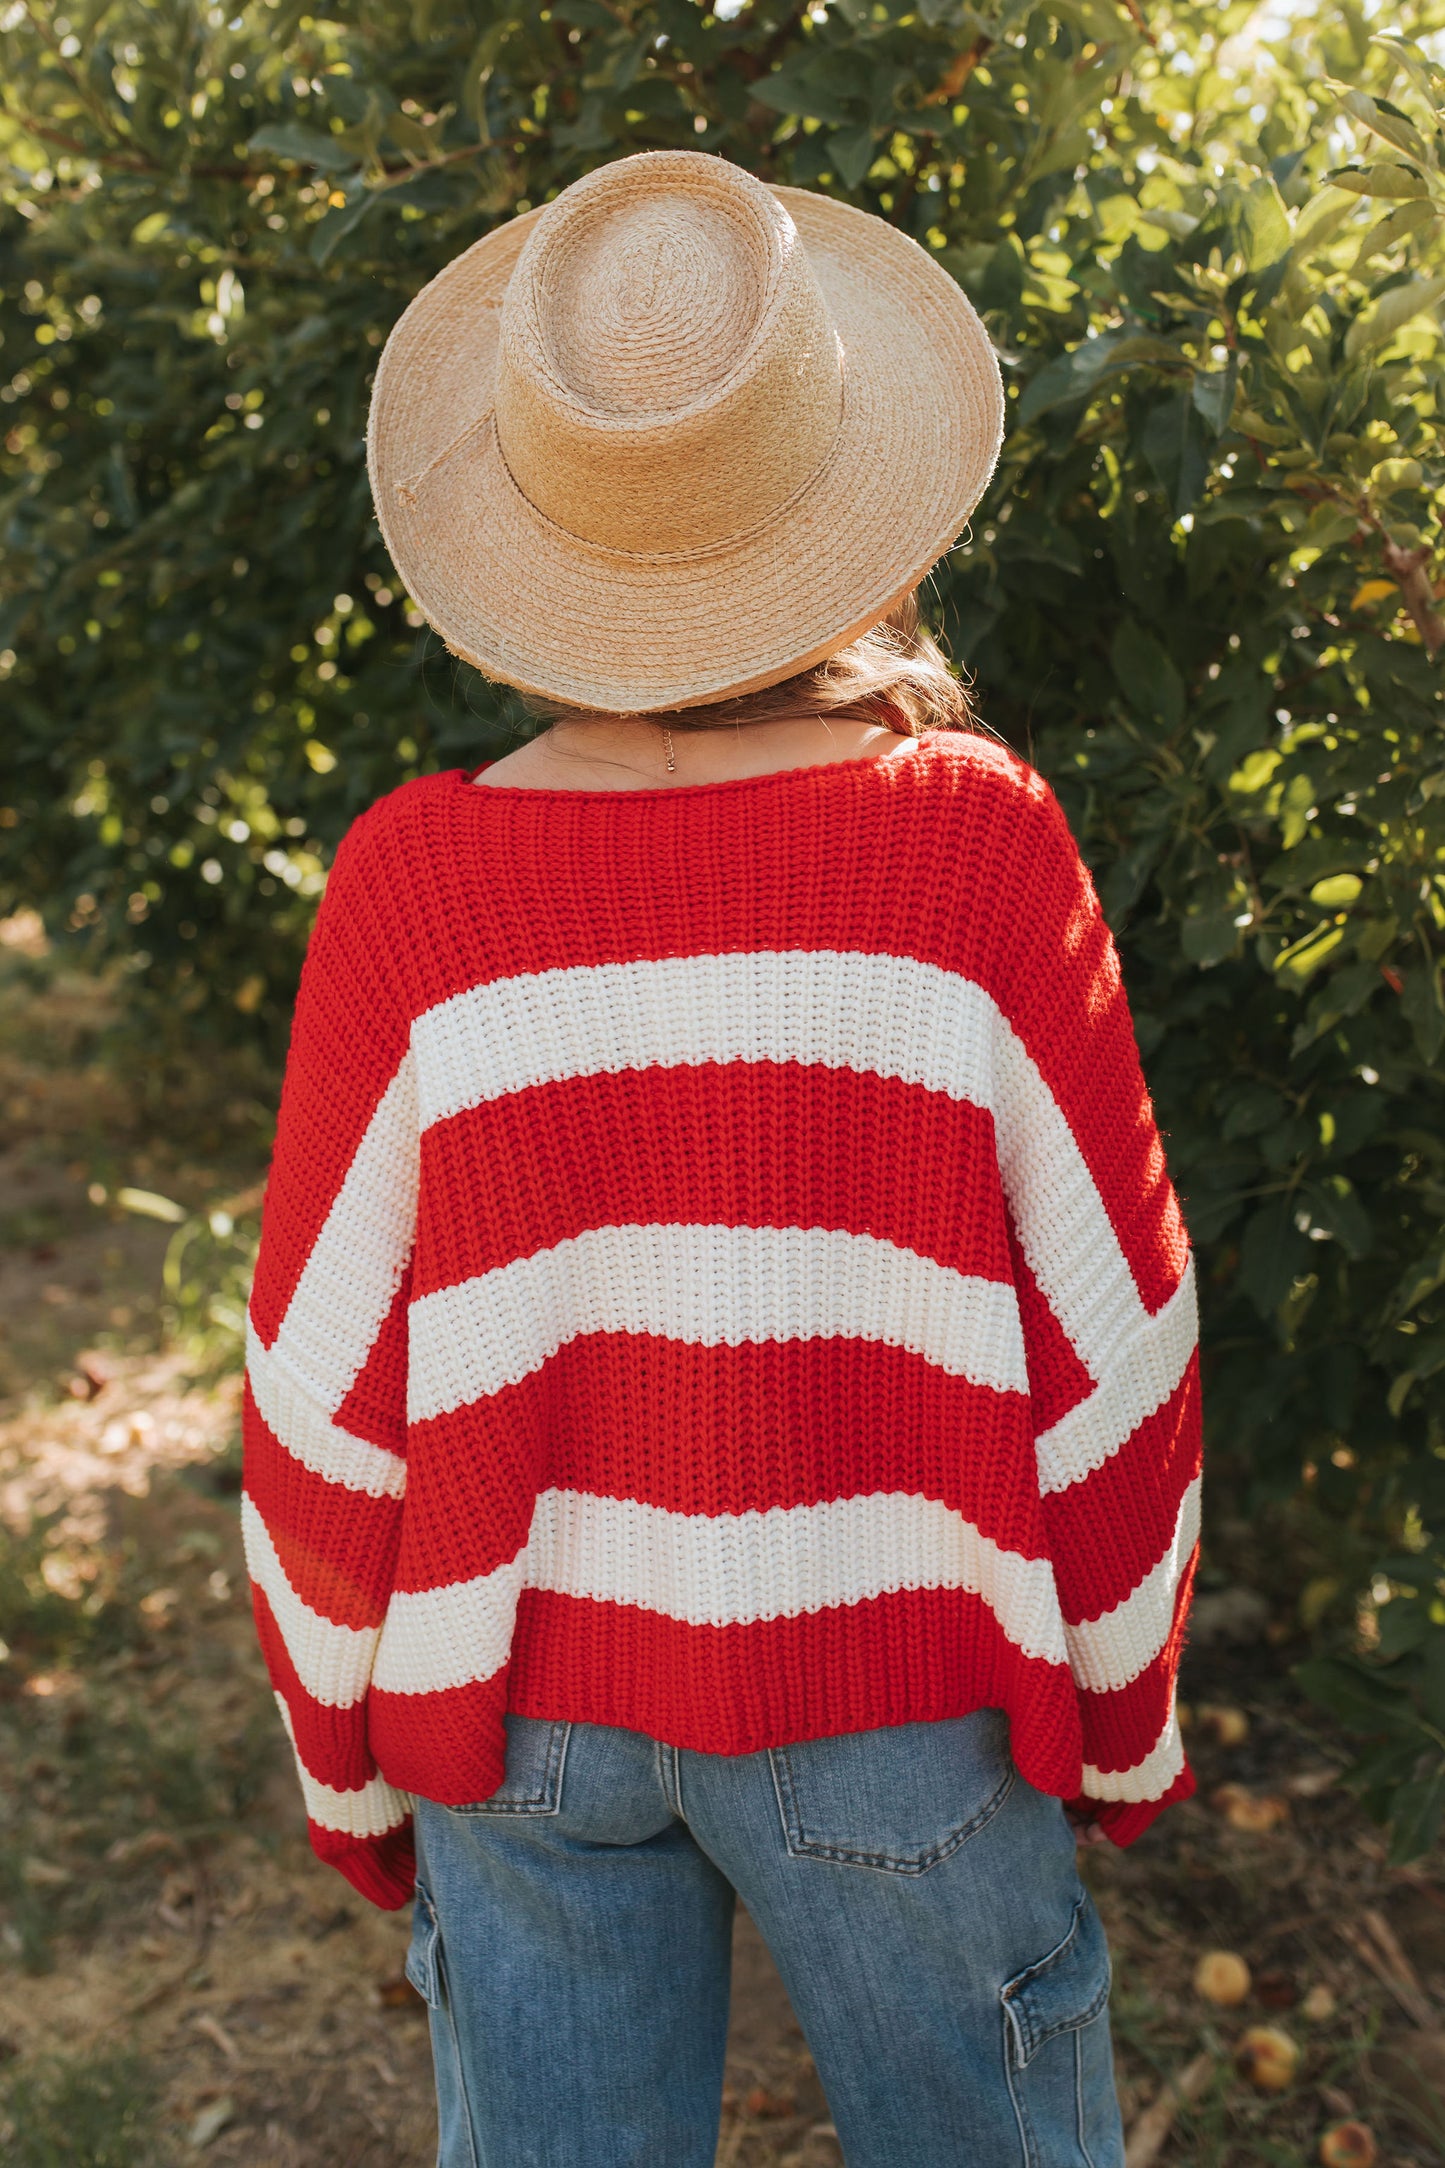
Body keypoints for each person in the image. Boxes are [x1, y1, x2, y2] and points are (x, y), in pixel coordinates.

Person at [242, 150, 1201, 2168]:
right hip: (910, 1692)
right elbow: (1115, 1333)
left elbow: (323, 1394)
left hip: (525, 1724)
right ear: (838, 492)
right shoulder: (974, 844)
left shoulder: (415, 887)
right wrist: (1118, 1700)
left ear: (534, 538)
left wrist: (347, 1753)